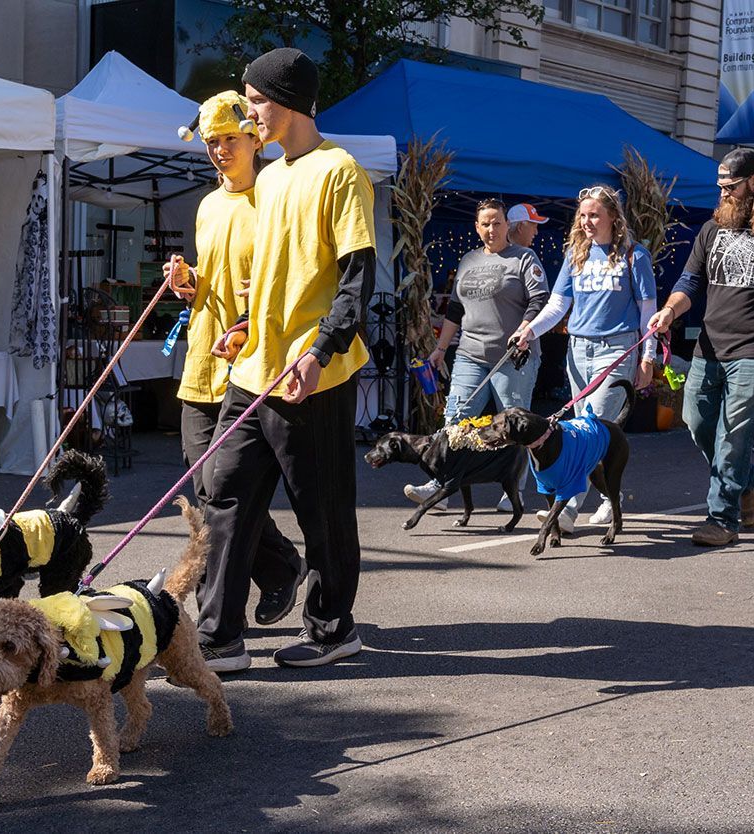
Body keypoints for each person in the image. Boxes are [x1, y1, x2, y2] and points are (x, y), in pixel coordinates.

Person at [197, 47, 376, 669]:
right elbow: (278, 275)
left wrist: (319, 352)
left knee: (320, 508)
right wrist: (247, 325)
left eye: (255, 104)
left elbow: (356, 280)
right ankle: (218, 635)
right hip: (255, 369)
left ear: (289, 101)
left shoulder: (341, 171)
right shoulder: (269, 177)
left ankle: (332, 627)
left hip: (312, 373)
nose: (250, 118)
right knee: (223, 493)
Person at [162, 91, 305, 632]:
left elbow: (288, 280)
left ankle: (225, 615)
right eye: (211, 142)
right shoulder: (207, 206)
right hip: (202, 358)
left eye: (230, 139)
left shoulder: (271, 197)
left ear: (252, 139)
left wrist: (251, 317)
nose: (220, 150)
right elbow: (212, 283)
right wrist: (189, 284)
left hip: (250, 364)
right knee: (206, 490)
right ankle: (280, 564)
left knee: (223, 491)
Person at [647, 149, 754, 546]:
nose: (724, 193)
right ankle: (747, 479)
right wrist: (669, 312)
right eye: (721, 187)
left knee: (733, 437)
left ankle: (722, 520)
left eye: (730, 186)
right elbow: (690, 282)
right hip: (709, 348)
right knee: (695, 422)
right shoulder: (712, 229)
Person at [510, 185, 656, 531]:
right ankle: (610, 497)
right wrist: (528, 330)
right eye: (583, 215)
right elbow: (558, 304)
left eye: (594, 215)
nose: (587, 221)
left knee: (592, 428)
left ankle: (568, 510)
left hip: (617, 348)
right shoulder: (577, 253)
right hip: (578, 348)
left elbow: (648, 310)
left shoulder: (634, 256)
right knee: (587, 430)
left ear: (612, 218)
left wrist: (648, 357)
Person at [403, 199, 548, 506]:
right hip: (470, 353)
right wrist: (440, 349)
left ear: (507, 225)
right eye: (486, 223)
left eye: (497, 222)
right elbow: (456, 309)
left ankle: (514, 491)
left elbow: (539, 301)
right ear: (477, 227)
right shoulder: (469, 260)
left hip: (512, 357)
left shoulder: (524, 258)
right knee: (456, 419)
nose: (491, 229)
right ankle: (439, 486)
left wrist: (523, 330)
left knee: (513, 423)